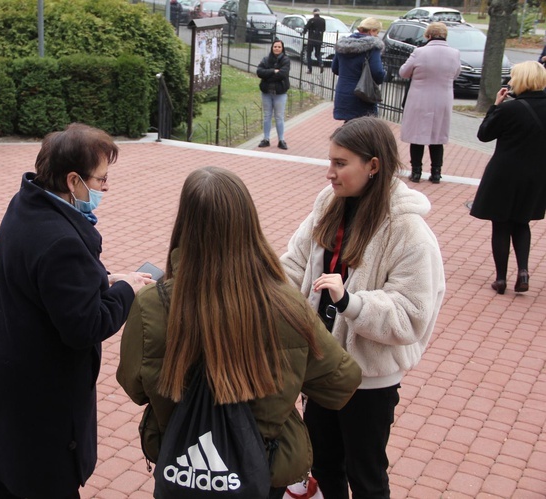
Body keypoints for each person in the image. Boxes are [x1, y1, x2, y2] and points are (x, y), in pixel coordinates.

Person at [117, 166, 362, 497]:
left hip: (185, 466)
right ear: (249, 224)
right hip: (265, 465)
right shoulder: (286, 302)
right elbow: (342, 382)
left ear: (184, 225)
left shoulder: (152, 304)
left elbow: (135, 386)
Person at [0, 123, 153, 499]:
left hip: (7, 370)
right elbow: (85, 325)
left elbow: (48, 282)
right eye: (101, 179)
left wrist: (103, 278)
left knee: (5, 475)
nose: (105, 188)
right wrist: (127, 290)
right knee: (45, 480)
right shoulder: (61, 241)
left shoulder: (27, 203)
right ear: (74, 181)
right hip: (41, 393)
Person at [280, 117, 445, 498]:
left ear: (373, 166)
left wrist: (351, 302)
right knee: (322, 466)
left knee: (366, 475)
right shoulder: (329, 202)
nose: (330, 174)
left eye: (341, 163)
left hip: (367, 380)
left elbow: (411, 315)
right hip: (320, 365)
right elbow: (294, 263)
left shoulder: (410, 231)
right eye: (330, 161)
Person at [469, 61, 546, 295]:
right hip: (536, 174)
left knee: (501, 224)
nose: (510, 81)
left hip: (504, 173)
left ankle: (501, 278)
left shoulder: (509, 109)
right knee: (521, 222)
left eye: (512, 77)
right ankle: (523, 271)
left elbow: (483, 135)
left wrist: (495, 106)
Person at [399, 22, 460, 184]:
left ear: (428, 35)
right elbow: (456, 74)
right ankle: (436, 173)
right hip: (442, 98)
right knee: (437, 136)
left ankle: (416, 172)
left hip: (419, 98)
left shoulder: (419, 52)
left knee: (417, 135)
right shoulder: (454, 53)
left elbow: (404, 72)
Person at [332, 18, 385, 122]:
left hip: (343, 93)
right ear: (371, 31)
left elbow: (335, 68)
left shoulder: (342, 45)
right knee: (363, 130)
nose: (377, 36)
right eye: (377, 32)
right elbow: (377, 73)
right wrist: (384, 75)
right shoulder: (372, 47)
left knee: (349, 128)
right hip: (362, 95)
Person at [257, 38, 291, 150]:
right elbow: (259, 72)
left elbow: (283, 74)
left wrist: (268, 77)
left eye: (279, 47)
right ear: (272, 48)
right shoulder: (266, 59)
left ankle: (281, 140)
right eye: (275, 47)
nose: (277, 49)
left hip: (280, 93)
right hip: (266, 93)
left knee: (279, 117)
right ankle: (266, 139)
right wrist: (272, 71)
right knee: (267, 116)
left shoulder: (285, 60)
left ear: (282, 48)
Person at [304, 8, 326, 74]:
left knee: (309, 54)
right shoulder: (323, 20)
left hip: (311, 39)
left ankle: (309, 69)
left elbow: (306, 28)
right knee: (317, 54)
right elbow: (324, 29)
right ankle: (321, 64)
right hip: (319, 40)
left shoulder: (311, 20)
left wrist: (304, 32)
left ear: (313, 13)